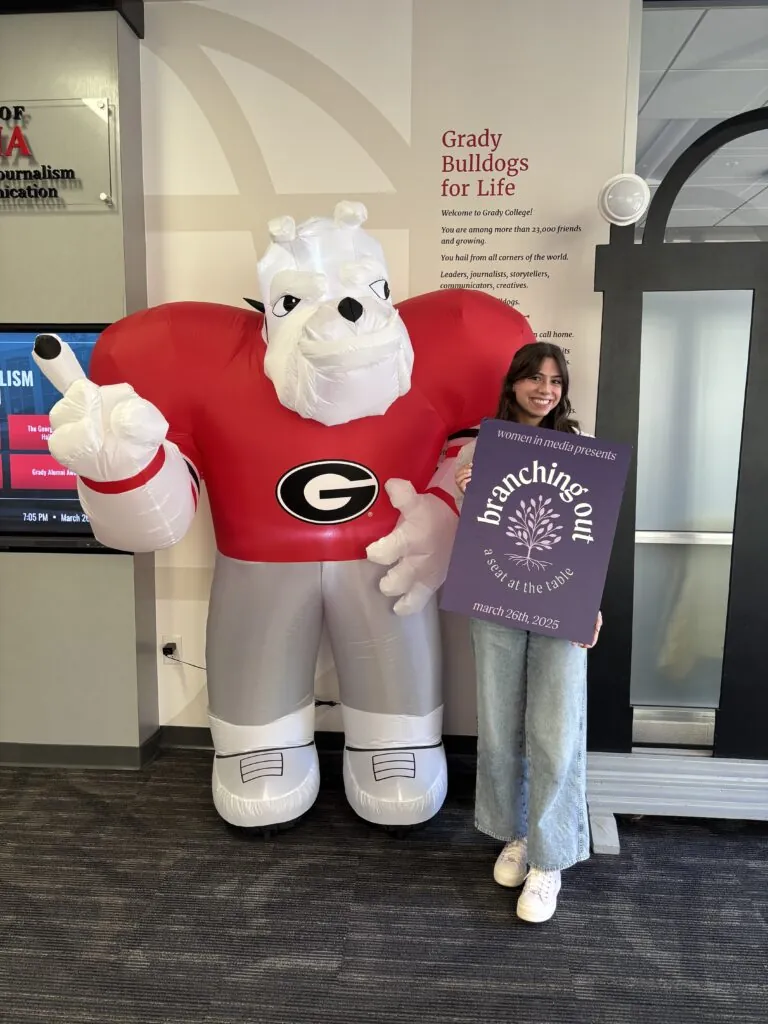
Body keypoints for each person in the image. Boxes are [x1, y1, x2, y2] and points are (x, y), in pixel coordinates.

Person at [455, 342, 601, 924]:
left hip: (561, 600)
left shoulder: (580, 447)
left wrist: (590, 605)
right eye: (535, 378)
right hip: (497, 600)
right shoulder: (483, 447)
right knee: (500, 723)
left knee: (555, 727)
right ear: (513, 383)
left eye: (555, 380)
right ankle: (518, 833)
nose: (545, 389)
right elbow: (479, 537)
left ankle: (551, 857)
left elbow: (591, 532)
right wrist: (470, 492)